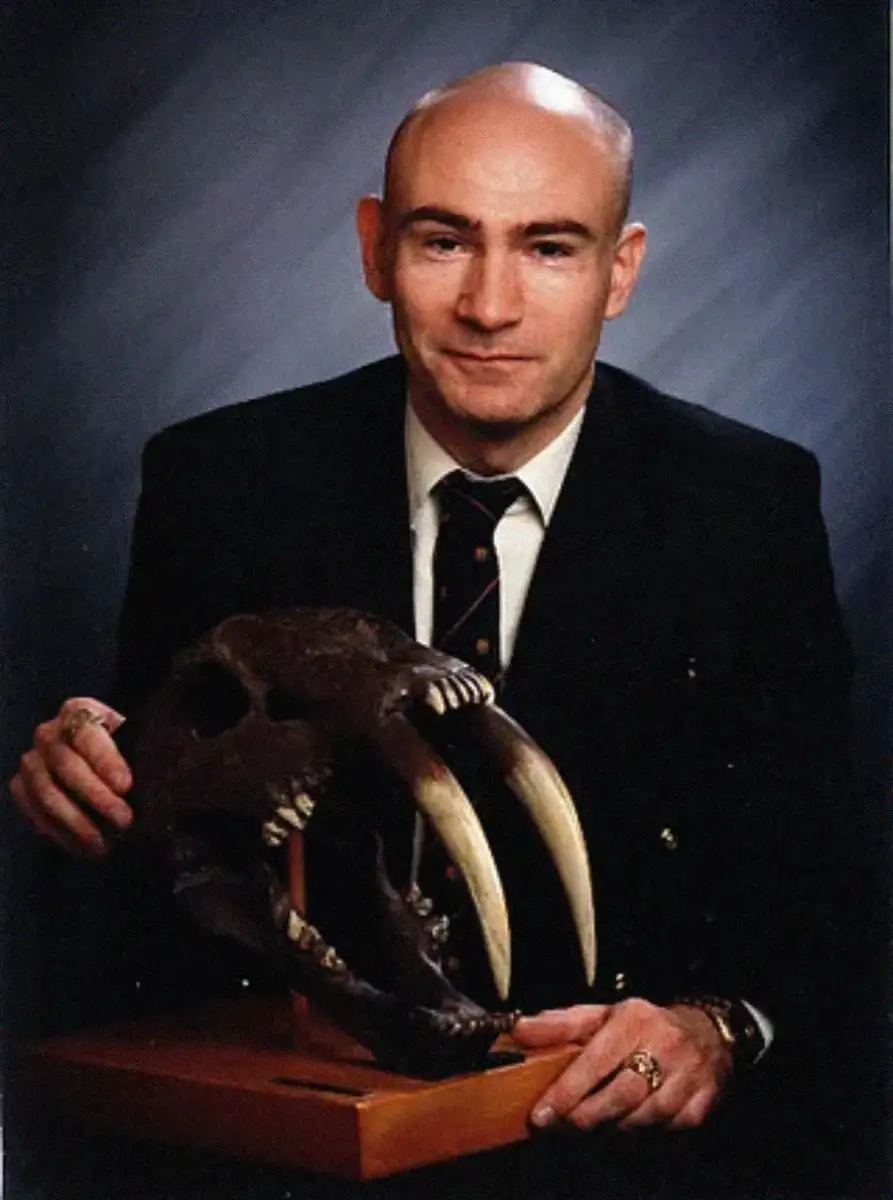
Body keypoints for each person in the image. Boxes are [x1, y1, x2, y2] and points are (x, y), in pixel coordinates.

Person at [9, 63, 875, 1197]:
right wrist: (84, 778)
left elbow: (824, 890)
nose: (490, 306)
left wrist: (720, 1026)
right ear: (374, 249)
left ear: (620, 271)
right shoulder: (219, 479)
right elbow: (163, 845)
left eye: (549, 247)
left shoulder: (747, 504)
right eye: (441, 241)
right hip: (288, 1137)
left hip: (606, 1149)